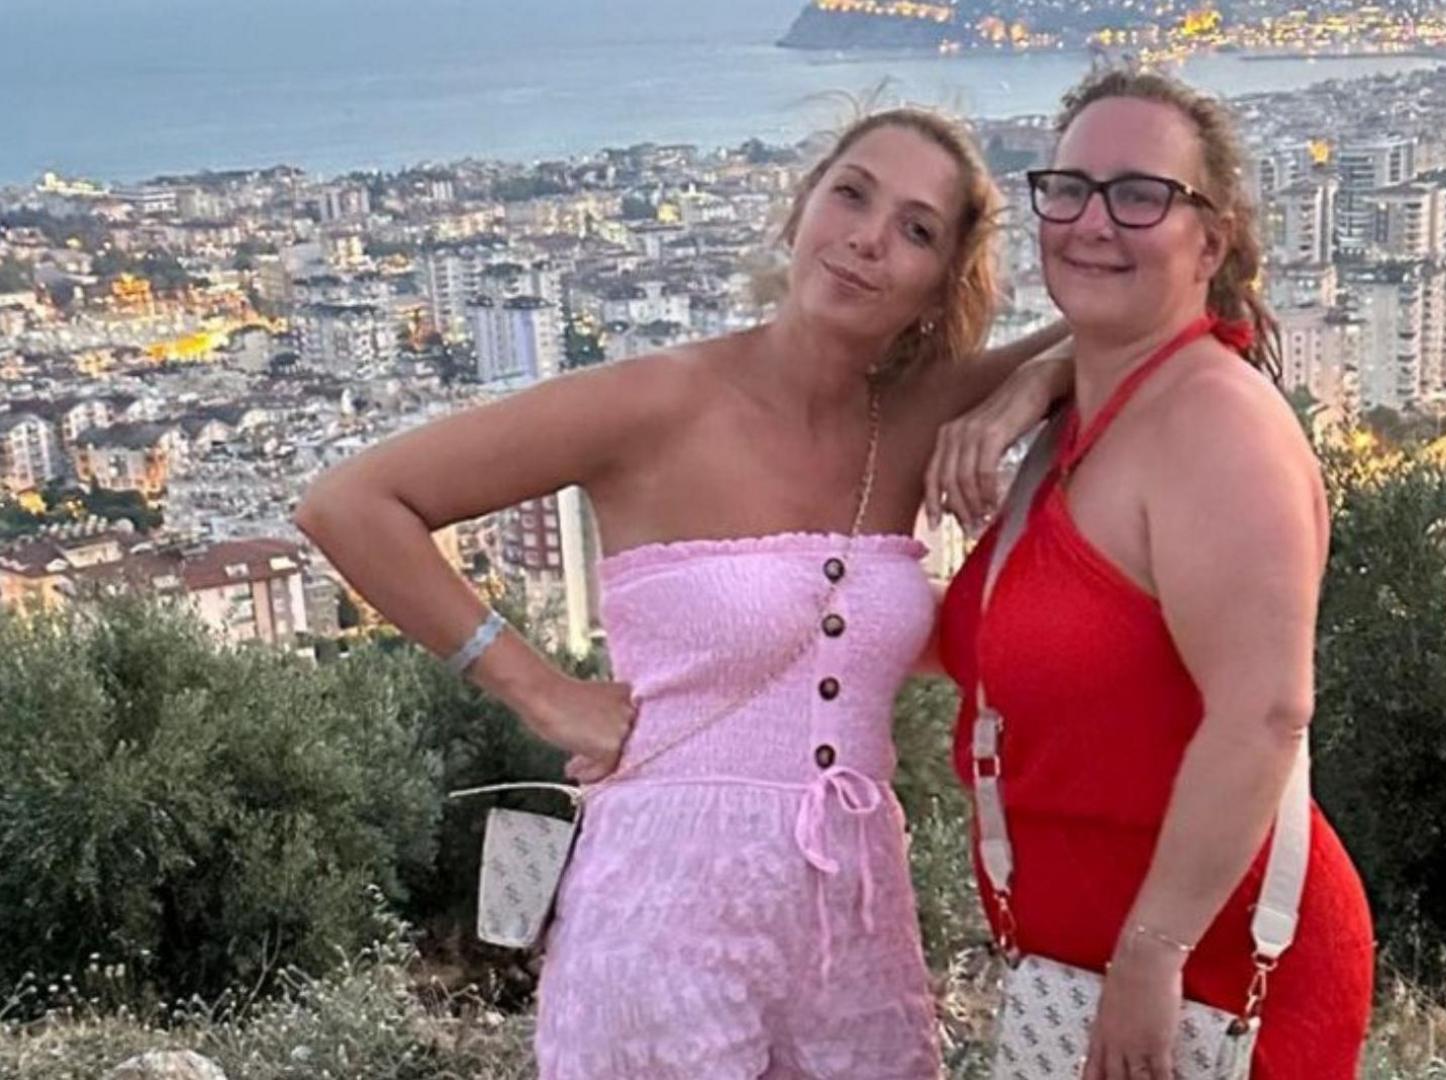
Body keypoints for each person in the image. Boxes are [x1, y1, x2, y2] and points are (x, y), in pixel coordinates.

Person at [295, 107, 1069, 1079]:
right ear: (800, 213)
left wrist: (1021, 393)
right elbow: (350, 503)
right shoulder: (658, 401)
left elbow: (1128, 320)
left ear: (938, 288)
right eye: (852, 194)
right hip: (666, 905)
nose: (871, 237)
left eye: (917, 229)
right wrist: (539, 691)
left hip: (855, 922)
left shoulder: (913, 421)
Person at [934, 71, 1376, 1079]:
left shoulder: (1217, 428)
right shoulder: (1092, 417)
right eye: (1070, 189)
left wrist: (1152, 952)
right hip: (1085, 976)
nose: (1094, 222)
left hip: (1209, 979)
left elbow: (1263, 713)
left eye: (1139, 195)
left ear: (1209, 241)